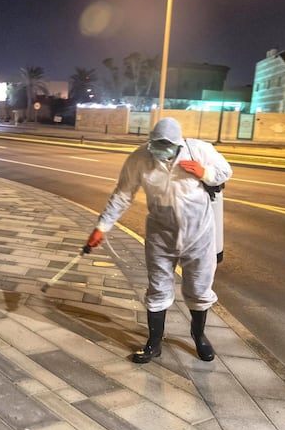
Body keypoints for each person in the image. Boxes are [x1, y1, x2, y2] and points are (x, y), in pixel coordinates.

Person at [86, 117, 232, 363]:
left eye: (167, 145)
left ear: (178, 143)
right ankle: (154, 341)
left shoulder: (199, 150)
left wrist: (204, 172)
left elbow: (225, 172)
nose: (161, 150)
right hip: (161, 235)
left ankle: (199, 335)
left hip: (199, 234)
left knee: (198, 287)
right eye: (157, 144)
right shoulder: (140, 158)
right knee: (158, 287)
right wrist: (102, 226)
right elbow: (123, 194)